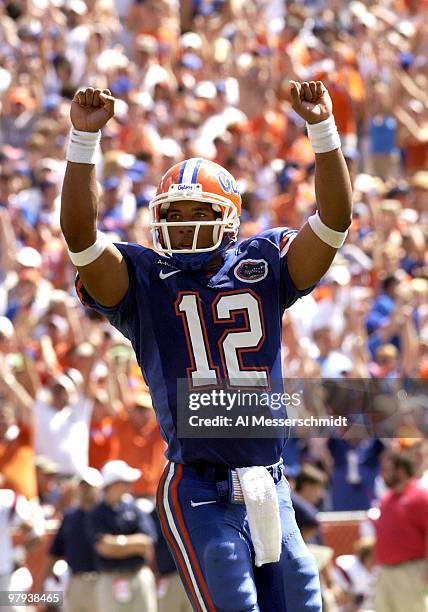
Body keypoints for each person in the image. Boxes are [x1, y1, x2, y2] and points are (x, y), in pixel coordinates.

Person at [61, 80, 352, 611]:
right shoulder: (144, 279)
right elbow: (80, 240)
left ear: (228, 217)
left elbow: (333, 223)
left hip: (269, 481)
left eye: (198, 212)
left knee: (304, 602)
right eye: (173, 215)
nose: (185, 224)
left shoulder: (263, 262)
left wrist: (322, 130)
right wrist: (83, 142)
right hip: (199, 487)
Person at [86, 460, 157, 612]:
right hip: (110, 580)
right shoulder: (96, 513)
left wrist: (117, 544)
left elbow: (146, 543)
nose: (129, 485)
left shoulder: (135, 508)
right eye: (124, 482)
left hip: (139, 576)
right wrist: (132, 544)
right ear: (113, 485)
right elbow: (104, 548)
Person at [41, 467, 103, 612]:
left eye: (89, 486)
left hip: (102, 579)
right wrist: (43, 582)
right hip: (75, 581)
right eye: (82, 486)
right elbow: (55, 552)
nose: (85, 490)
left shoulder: (106, 515)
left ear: (99, 488)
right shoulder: (70, 516)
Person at [372, 451, 428, 612]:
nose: (383, 475)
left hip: (411, 571)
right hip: (385, 572)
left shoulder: (420, 496)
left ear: (401, 470)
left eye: (388, 469)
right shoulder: (386, 499)